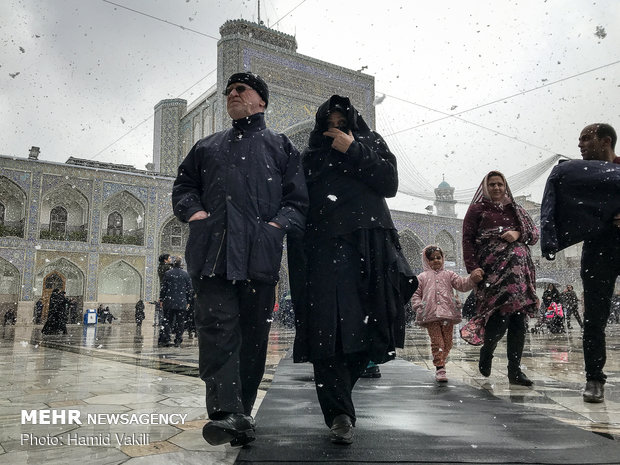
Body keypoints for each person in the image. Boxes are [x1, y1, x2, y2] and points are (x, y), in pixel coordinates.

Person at [172, 72, 308, 447]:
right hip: (211, 256)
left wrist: (276, 225)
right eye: (229, 91)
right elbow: (184, 186)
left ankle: (240, 415)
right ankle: (226, 411)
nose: (232, 94)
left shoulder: (280, 146)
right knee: (217, 333)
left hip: (258, 259)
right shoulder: (207, 146)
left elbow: (298, 202)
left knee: (252, 340)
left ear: (261, 101)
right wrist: (195, 213)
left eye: (240, 90)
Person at [288, 95, 417, 445]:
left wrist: (353, 149)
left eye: (341, 116)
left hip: (370, 243)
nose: (335, 121)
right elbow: (297, 201)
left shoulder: (371, 142)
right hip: (326, 248)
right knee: (326, 330)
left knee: (374, 322)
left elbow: (389, 184)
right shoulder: (311, 156)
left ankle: (341, 394)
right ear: (319, 121)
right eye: (328, 117)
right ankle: (339, 412)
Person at [541, 123, 620, 403]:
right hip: (598, 248)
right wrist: (550, 238)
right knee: (594, 318)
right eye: (579, 139)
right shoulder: (577, 177)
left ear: (606, 141)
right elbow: (556, 203)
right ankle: (594, 378)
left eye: (586, 138)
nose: (580, 145)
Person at [460, 170, 539, 386]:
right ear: (485, 187)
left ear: (506, 187)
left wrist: (518, 234)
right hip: (493, 273)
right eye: (492, 184)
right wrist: (473, 268)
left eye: (500, 184)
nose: (496, 188)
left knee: (518, 321)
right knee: (499, 318)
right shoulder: (477, 210)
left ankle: (515, 371)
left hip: (519, 276)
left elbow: (533, 234)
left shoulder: (516, 210)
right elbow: (467, 241)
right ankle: (487, 351)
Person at [412, 245, 483, 382]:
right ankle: (440, 368)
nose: (436, 261)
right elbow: (416, 294)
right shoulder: (422, 277)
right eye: (432, 259)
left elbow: (462, 284)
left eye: (438, 258)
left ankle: (440, 361)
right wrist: (418, 305)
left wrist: (472, 279)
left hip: (448, 315)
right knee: (438, 343)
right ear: (426, 261)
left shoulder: (449, 275)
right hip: (431, 315)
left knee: (448, 343)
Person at [159, 256, 193, 347]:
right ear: (181, 264)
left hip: (169, 302)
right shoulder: (186, 274)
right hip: (181, 303)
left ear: (173, 264)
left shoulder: (168, 273)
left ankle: (166, 339)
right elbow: (189, 289)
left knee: (167, 321)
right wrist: (188, 301)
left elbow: (164, 288)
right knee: (180, 322)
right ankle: (178, 340)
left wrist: (161, 299)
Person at [155, 254, 173, 330]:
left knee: (165, 314)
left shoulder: (160, 267)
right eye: (169, 258)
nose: (171, 259)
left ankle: (165, 331)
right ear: (165, 260)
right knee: (170, 314)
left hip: (164, 291)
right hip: (170, 292)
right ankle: (168, 330)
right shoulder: (167, 268)